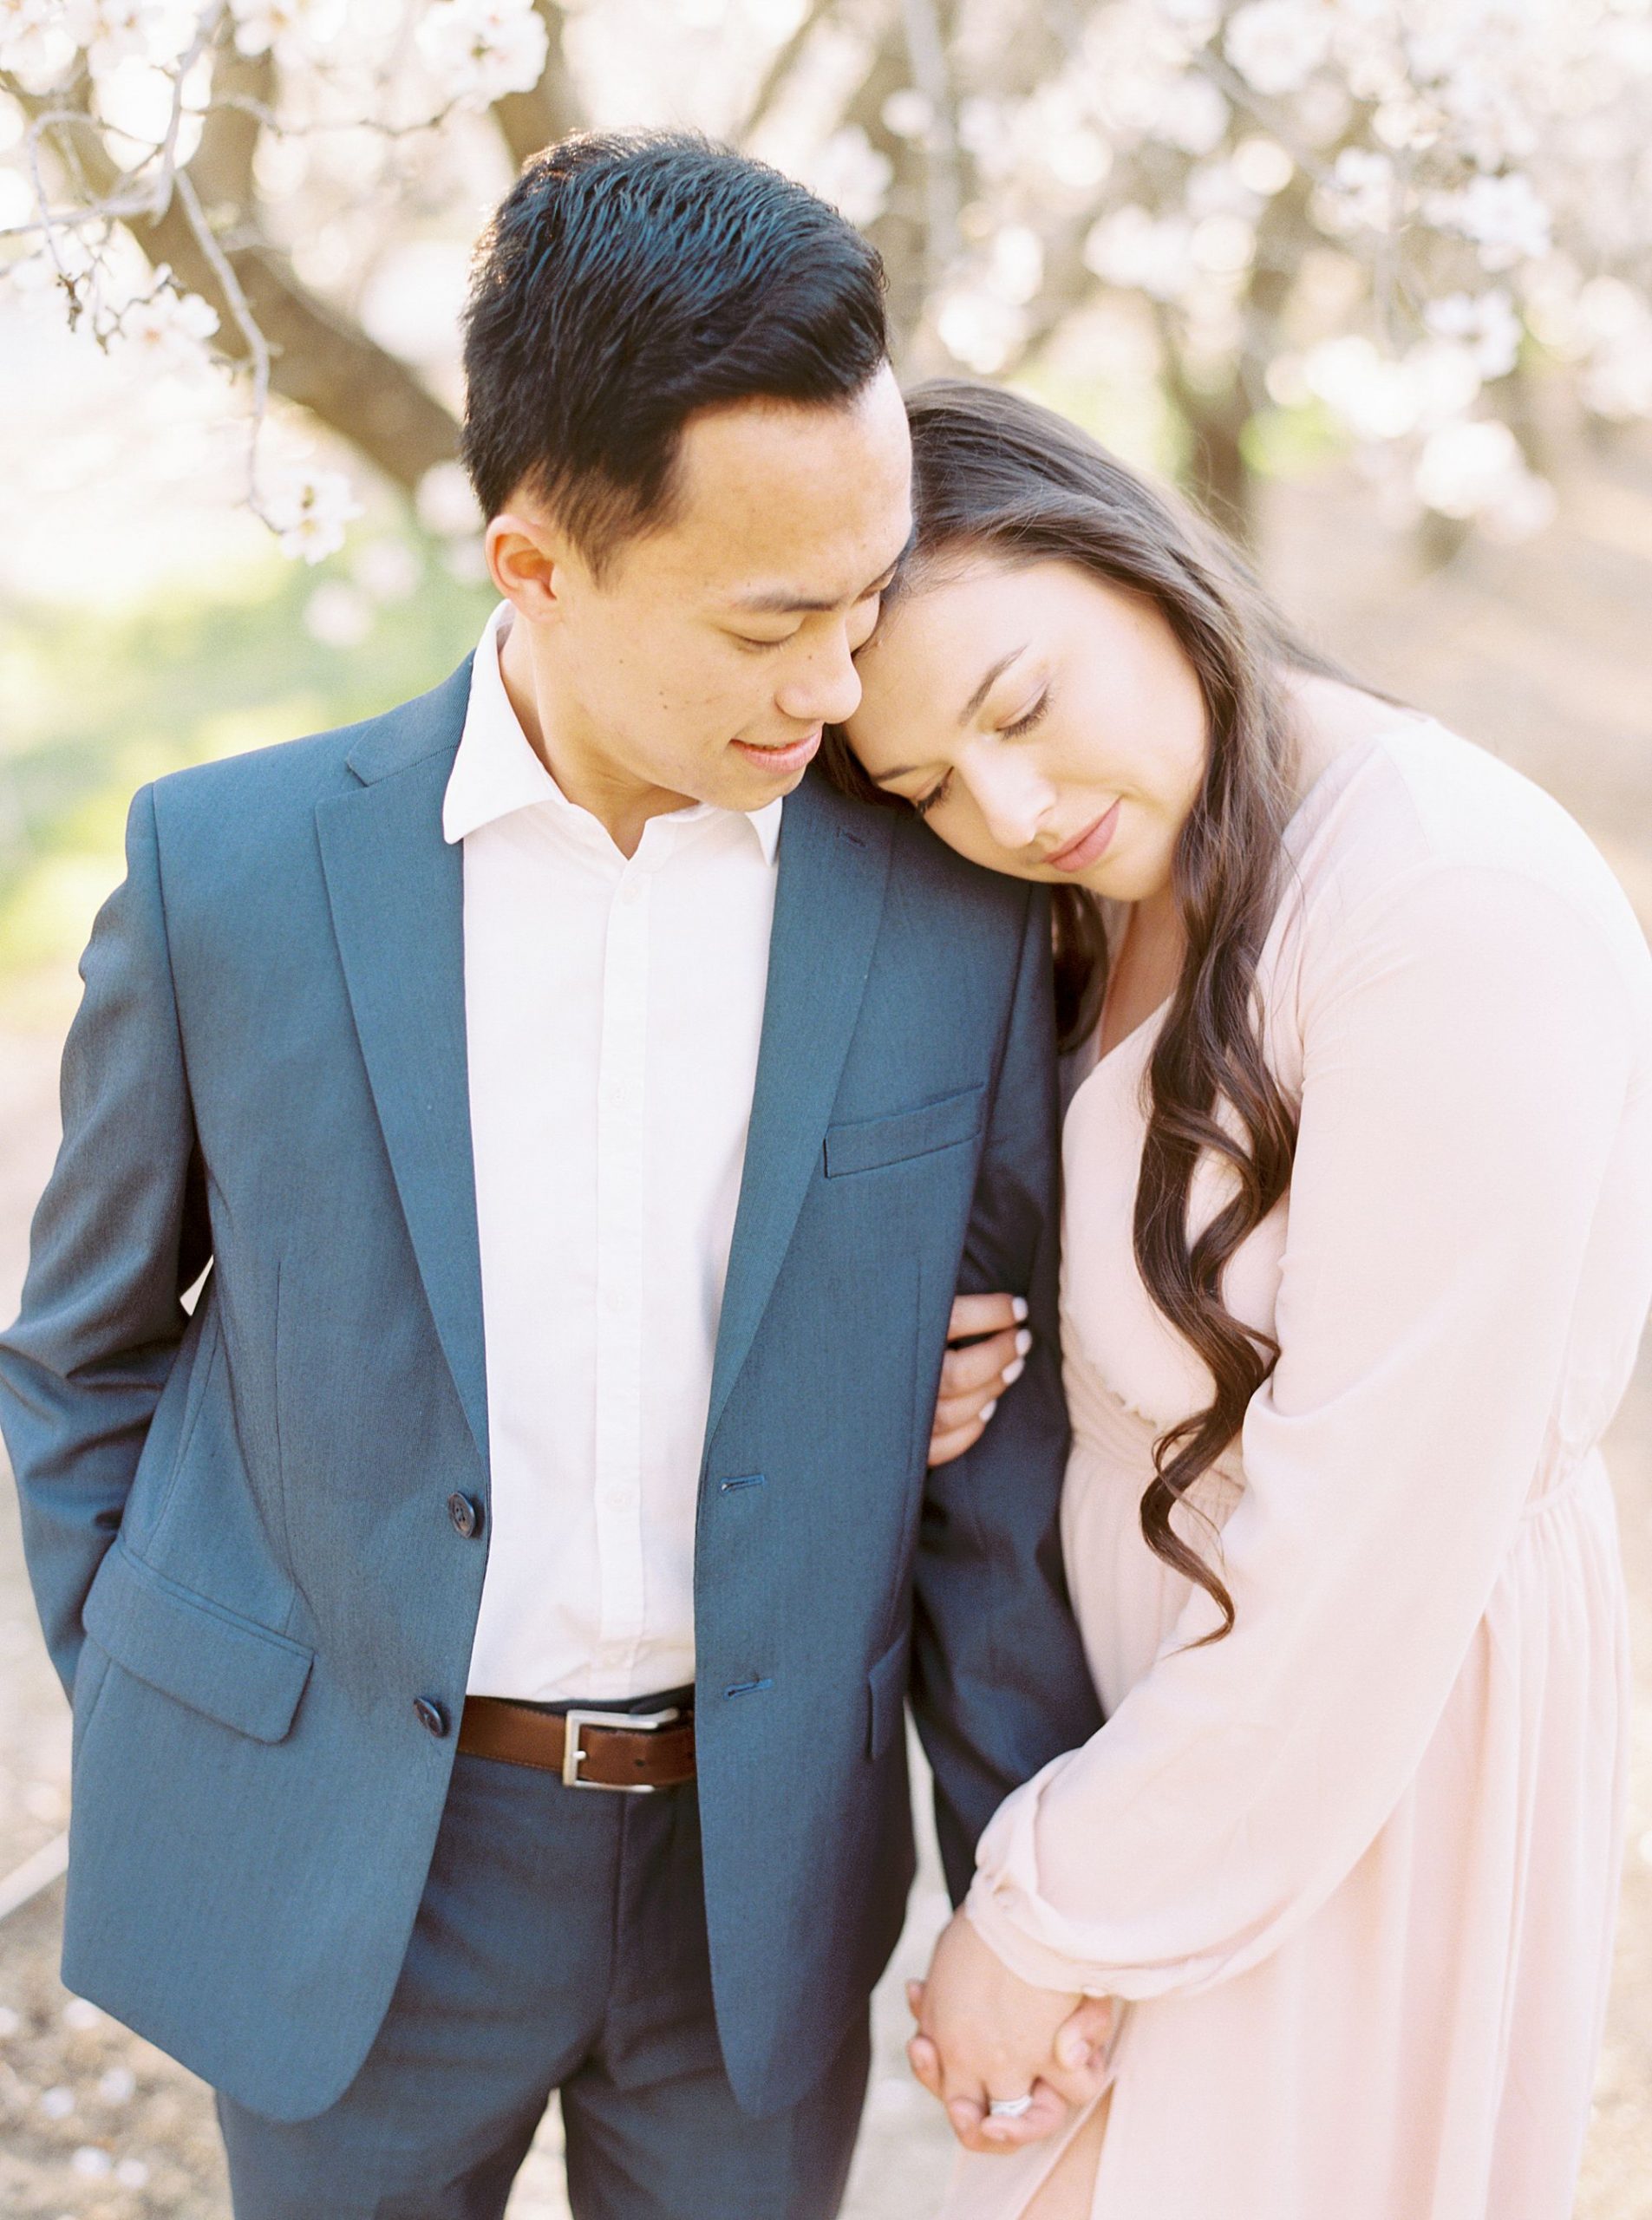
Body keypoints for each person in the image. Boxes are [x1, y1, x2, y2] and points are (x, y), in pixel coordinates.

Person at [0, 142, 1110, 2220]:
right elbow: (78, 1360)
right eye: (775, 622)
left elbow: (992, 1460)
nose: (840, 683)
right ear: (533, 568)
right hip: (354, 1871)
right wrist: (207, 1726)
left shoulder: (941, 907)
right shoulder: (230, 878)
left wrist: (1015, 1878)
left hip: (755, 1883)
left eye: (870, 599)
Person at [834, 378, 1652, 2220]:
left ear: (1125, 552)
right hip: (1185, 1746)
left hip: (1359, 1757)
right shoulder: (1121, 871)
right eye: (924, 785)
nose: (1008, 804)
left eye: (1018, 707)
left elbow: (1364, 1548)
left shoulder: (1438, 906)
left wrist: (1043, 1908)